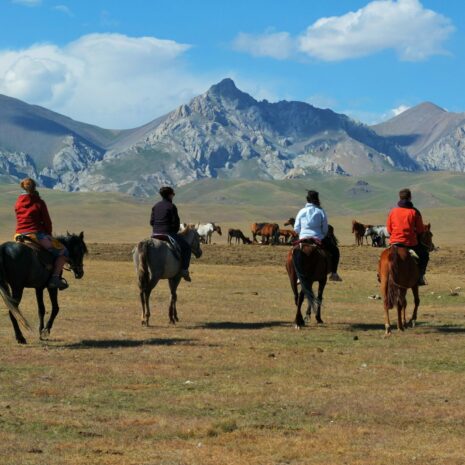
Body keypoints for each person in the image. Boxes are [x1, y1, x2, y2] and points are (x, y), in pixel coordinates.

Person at [15, 178, 69, 290]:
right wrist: (48, 235)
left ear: (22, 187)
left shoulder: (18, 202)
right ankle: (55, 278)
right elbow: (47, 222)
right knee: (64, 251)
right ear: (34, 187)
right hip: (35, 235)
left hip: (19, 235)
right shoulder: (39, 202)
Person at [293, 190, 342, 282]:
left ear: (307, 199)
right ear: (317, 199)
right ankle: (334, 273)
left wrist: (302, 234)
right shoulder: (320, 211)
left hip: (303, 238)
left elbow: (296, 228)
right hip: (317, 238)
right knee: (335, 250)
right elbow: (324, 229)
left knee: (293, 253)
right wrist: (321, 234)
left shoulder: (301, 211)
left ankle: (298, 275)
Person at [386, 188, 429, 285]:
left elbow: (388, 229)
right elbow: (420, 230)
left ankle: (379, 275)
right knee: (424, 255)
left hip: (394, 242)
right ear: (410, 197)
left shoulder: (392, 211)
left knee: (383, 256)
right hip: (410, 243)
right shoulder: (414, 212)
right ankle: (420, 276)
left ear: (400, 197)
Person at [150, 186, 192, 281]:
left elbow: (151, 222)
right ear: (169, 195)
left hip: (154, 234)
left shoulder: (155, 206)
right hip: (167, 233)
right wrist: (174, 231)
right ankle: (184, 270)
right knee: (187, 248)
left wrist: (157, 228)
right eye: (173, 194)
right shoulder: (171, 206)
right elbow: (176, 223)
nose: (173, 195)